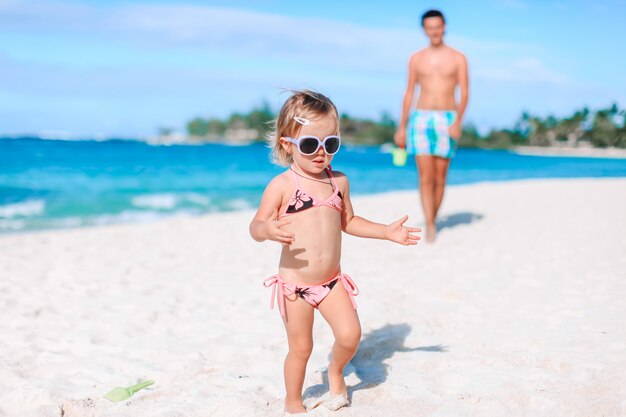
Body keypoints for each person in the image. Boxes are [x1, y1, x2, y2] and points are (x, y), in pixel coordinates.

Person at [249, 90, 421, 415]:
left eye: (331, 144)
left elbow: (349, 221)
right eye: (310, 145)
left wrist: (386, 231)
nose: (321, 153)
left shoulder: (337, 182)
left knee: (350, 335)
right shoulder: (282, 186)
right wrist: (267, 230)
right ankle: (293, 402)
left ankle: (335, 370)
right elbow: (256, 226)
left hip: (331, 282)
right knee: (301, 348)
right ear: (288, 144)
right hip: (294, 288)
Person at [394, 9, 469, 243]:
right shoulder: (416, 58)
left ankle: (433, 216)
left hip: (447, 118)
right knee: (425, 177)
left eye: (438, 26)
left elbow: (465, 92)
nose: (434, 31)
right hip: (421, 119)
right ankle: (430, 223)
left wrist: (458, 121)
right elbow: (409, 92)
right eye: (430, 27)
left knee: (440, 176)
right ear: (424, 30)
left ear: (444, 27)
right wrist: (401, 126)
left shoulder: (458, 58)